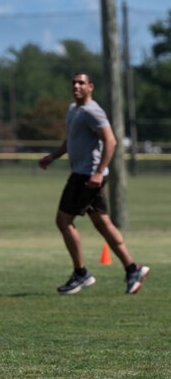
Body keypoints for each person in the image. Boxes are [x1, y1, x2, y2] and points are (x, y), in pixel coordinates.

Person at [38, 72, 149, 295]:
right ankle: (132, 269)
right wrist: (53, 156)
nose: (76, 86)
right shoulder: (73, 110)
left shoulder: (92, 111)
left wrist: (98, 173)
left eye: (81, 83)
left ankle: (81, 274)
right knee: (103, 224)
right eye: (74, 83)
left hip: (86, 176)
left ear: (91, 87)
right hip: (85, 174)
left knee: (63, 221)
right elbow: (71, 141)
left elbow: (111, 141)